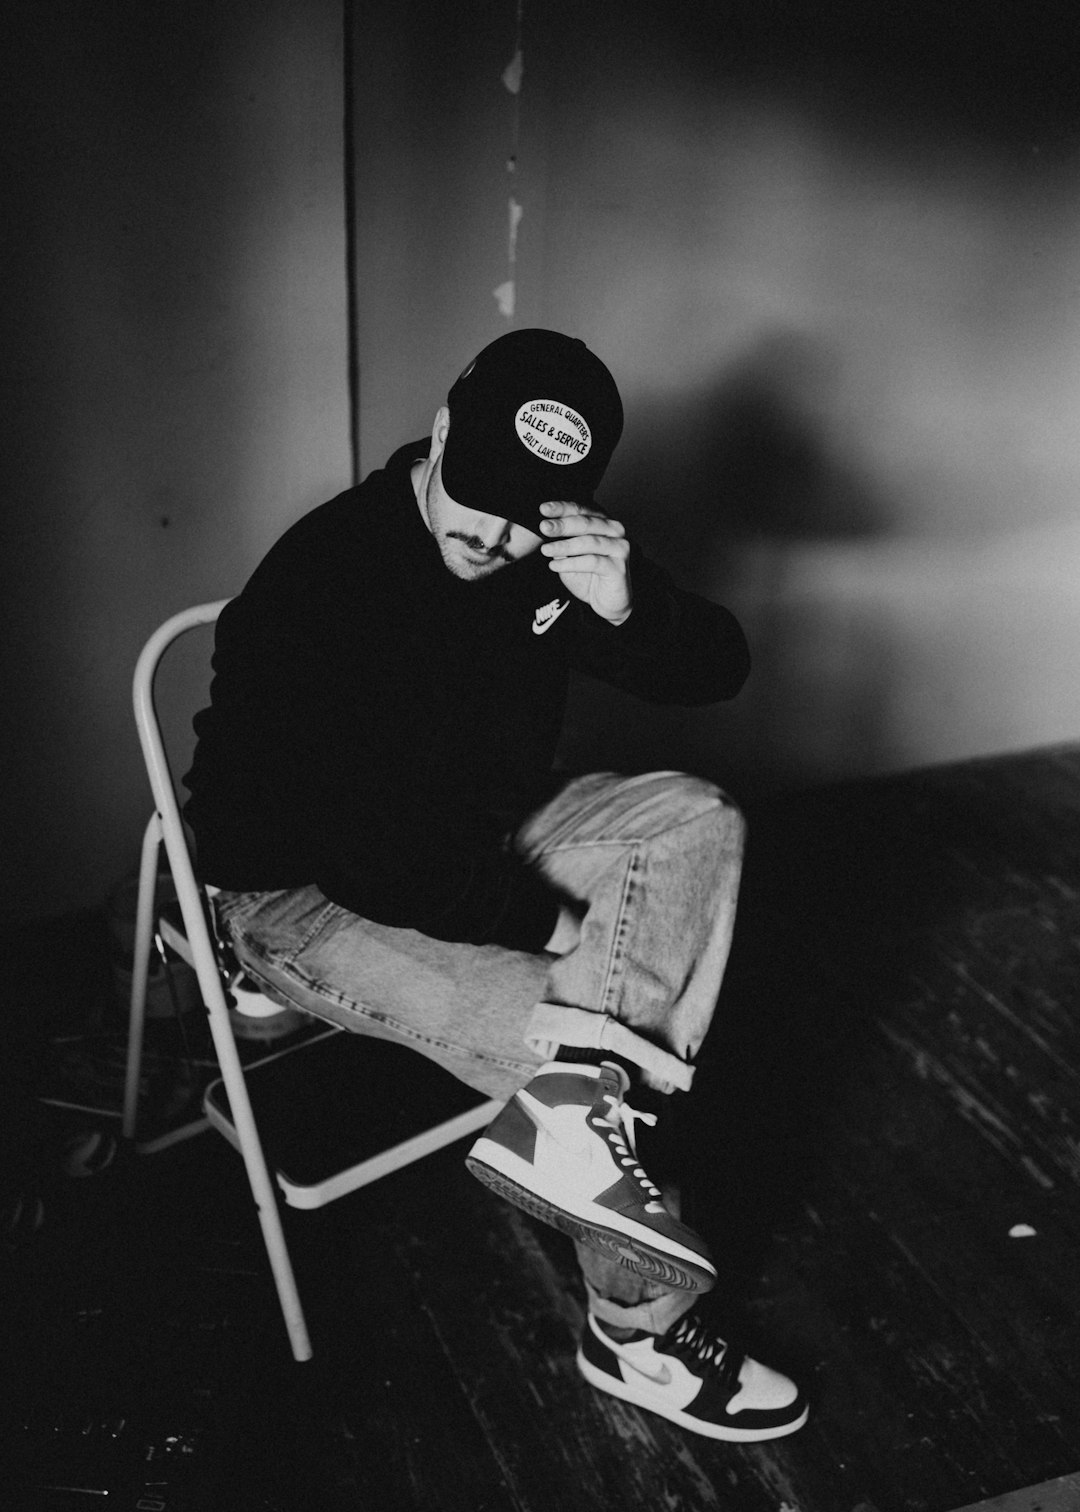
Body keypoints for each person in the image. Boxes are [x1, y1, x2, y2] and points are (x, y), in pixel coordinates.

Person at [183, 328, 808, 1442]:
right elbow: (371, 855)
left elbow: (719, 667)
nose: (497, 532)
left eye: (531, 512)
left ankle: (584, 1109)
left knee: (695, 820)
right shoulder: (325, 578)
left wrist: (630, 609)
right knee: (612, 1067)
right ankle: (640, 1337)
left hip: (484, 831)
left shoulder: (547, 556)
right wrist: (564, 938)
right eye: (478, 496)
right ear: (436, 441)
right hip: (299, 895)